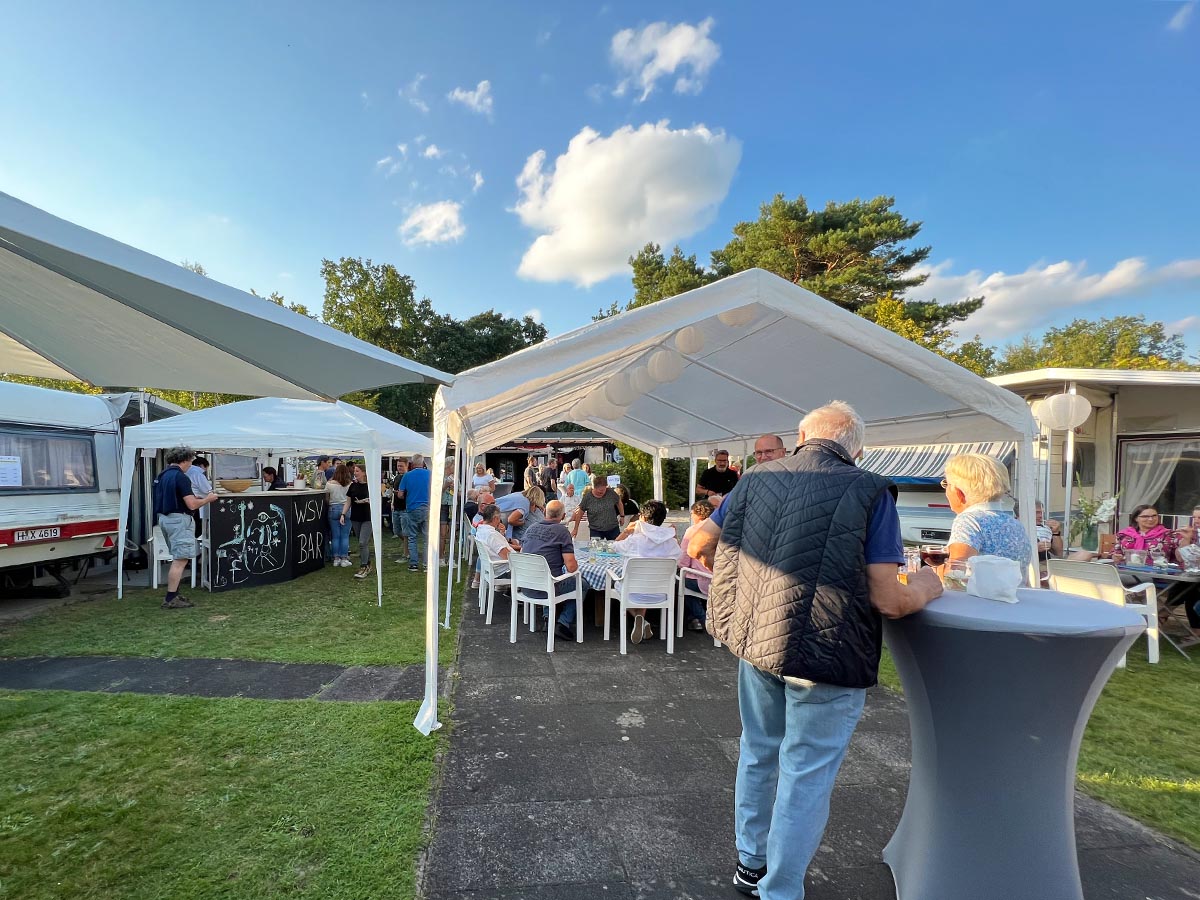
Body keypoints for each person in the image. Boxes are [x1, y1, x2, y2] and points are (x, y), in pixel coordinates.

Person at [688, 401, 942, 899]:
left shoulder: (754, 479)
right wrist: (930, 586)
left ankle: (750, 864)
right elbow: (889, 598)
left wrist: (740, 580)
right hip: (828, 648)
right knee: (805, 770)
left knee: (759, 751)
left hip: (756, 641)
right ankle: (780, 888)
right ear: (858, 450)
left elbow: (697, 542)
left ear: (800, 436)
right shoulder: (870, 490)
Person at [152, 447, 218, 609]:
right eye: (190, 461)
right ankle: (170, 598)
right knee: (180, 559)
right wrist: (208, 499)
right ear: (184, 460)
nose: (190, 464)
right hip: (179, 519)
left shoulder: (162, 475)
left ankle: (174, 593)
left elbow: (174, 497)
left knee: (177, 557)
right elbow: (192, 504)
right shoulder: (181, 477)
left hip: (164, 519)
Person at [942, 453, 1032, 568]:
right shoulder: (1016, 525)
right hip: (1015, 587)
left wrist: (931, 571)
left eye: (946, 485)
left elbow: (956, 575)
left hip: (981, 587)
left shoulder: (968, 521)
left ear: (958, 493)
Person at [613, 500, 681, 644]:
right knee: (645, 582)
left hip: (633, 593)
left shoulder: (635, 539)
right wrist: (675, 538)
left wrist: (627, 531)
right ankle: (642, 620)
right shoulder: (671, 542)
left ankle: (641, 620)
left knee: (620, 583)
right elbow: (679, 559)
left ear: (642, 518)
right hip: (662, 594)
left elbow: (614, 546)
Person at [519, 499, 580, 642]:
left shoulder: (531, 528)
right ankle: (563, 622)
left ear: (545, 512)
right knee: (580, 583)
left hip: (526, 584)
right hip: (547, 587)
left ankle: (548, 618)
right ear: (563, 515)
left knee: (551, 574)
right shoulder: (562, 531)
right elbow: (571, 567)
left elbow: (522, 553)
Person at [678, 500, 715, 631]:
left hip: (702, 579)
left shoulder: (693, 531)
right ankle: (694, 620)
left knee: (681, 582)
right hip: (720, 579)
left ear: (698, 514)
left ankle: (702, 619)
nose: (691, 516)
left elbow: (683, 560)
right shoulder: (721, 529)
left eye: (692, 513)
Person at [1107, 504, 1182, 565]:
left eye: (1154, 516)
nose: (1151, 519)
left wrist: (1186, 539)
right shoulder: (1124, 535)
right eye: (1145, 516)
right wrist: (1116, 557)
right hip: (1128, 570)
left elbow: (1181, 557)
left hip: (1156, 574)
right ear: (1136, 519)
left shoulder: (1168, 534)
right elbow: (1114, 553)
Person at [397, 452, 432, 571]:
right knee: (427, 538)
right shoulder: (430, 474)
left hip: (412, 508)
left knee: (412, 537)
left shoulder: (407, 476)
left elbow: (400, 495)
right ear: (422, 463)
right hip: (427, 508)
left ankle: (414, 564)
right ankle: (427, 563)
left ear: (412, 463)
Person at [572, 474, 624, 540]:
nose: (602, 492)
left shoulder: (611, 493)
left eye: (603, 490)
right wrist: (575, 529)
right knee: (595, 549)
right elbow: (580, 513)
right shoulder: (588, 497)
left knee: (616, 547)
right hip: (595, 530)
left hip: (613, 528)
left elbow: (619, 502)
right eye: (600, 491)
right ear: (595, 487)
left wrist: (622, 516)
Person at [475, 503, 519, 578]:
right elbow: (508, 556)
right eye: (499, 518)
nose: (500, 521)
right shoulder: (492, 535)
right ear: (495, 518)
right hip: (503, 570)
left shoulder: (480, 530)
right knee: (535, 568)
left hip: (495, 567)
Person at [347, 463, 375, 579]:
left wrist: (368, 501)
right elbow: (348, 501)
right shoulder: (352, 486)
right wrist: (343, 514)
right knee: (361, 543)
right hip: (355, 517)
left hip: (368, 517)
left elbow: (378, 500)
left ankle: (363, 567)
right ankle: (368, 564)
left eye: (357, 471)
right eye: (355, 471)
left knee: (362, 542)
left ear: (364, 473)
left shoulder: (371, 486)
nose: (355, 472)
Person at [326, 463, 353, 568]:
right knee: (345, 535)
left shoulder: (329, 484)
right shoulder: (349, 484)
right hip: (346, 509)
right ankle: (344, 558)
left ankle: (336, 558)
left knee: (335, 536)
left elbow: (327, 498)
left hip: (333, 508)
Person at [185, 456, 213, 537]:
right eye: (205, 468)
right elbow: (207, 490)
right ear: (201, 465)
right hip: (197, 503)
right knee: (198, 527)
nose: (205, 470)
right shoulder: (198, 474)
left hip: (187, 502)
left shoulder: (186, 471)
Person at [390, 459, 410, 543]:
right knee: (397, 531)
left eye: (401, 466)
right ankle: (408, 544)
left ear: (406, 465)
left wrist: (400, 493)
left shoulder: (409, 477)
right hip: (396, 507)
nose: (399, 468)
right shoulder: (397, 477)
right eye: (398, 466)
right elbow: (394, 491)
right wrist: (392, 503)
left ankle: (407, 552)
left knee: (406, 532)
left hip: (405, 508)